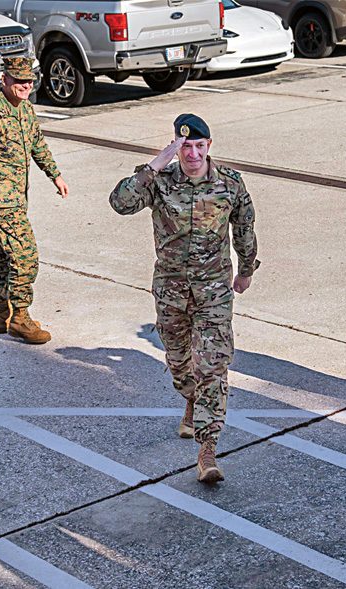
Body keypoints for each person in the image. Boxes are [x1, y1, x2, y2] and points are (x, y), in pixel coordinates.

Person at [109, 114, 259, 484]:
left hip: (214, 292)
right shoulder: (159, 182)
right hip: (172, 291)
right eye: (185, 146)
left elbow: (244, 226)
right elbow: (120, 202)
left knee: (212, 364)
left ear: (210, 146)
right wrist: (156, 163)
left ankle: (207, 449)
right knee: (179, 363)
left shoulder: (230, 184)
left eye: (199, 146)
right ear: (176, 146)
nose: (192, 154)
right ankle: (190, 399)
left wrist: (246, 269)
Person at [0, 57, 69, 344]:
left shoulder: (25, 109)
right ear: (4, 80)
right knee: (25, 256)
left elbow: (37, 144)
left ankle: (3, 314)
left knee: (3, 255)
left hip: (17, 196)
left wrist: (55, 175)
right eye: (18, 80)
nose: (25, 86)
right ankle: (21, 317)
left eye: (29, 81)